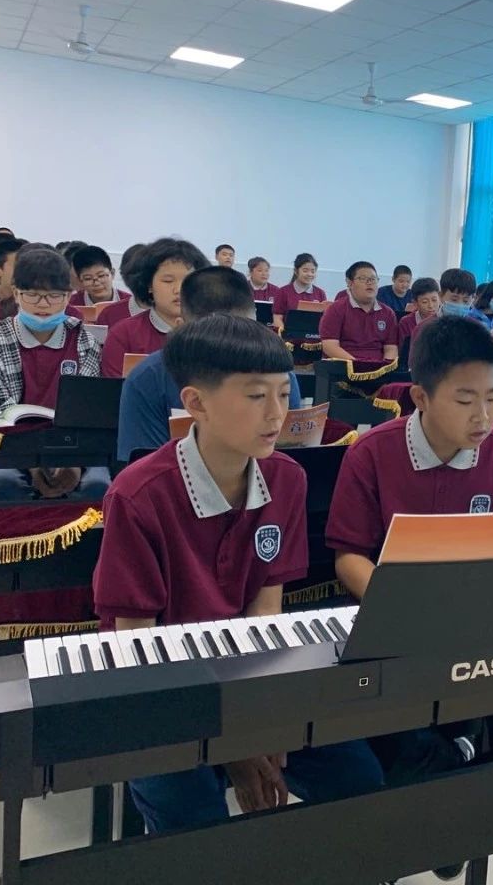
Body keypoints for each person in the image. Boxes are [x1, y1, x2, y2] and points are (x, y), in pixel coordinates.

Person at [93, 315, 383, 834]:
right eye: (255, 397)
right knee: (197, 825)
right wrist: (234, 748)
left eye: (283, 393)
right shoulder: (138, 496)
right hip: (159, 693)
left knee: (358, 781)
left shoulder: (286, 478)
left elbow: (264, 613)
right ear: (197, 403)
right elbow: (138, 649)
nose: (276, 414)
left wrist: (259, 721)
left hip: (247, 677)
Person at [326, 316, 493, 785]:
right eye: (465, 400)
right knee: (415, 752)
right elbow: (349, 557)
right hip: (395, 632)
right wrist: (404, 609)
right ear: (420, 397)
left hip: (479, 631)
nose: (483, 416)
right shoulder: (372, 453)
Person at [116, 267, 302, 461]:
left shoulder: (277, 372)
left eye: (245, 335)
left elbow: (286, 455)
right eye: (256, 395)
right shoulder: (147, 378)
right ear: (181, 329)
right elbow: (144, 465)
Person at [0, 246, 106, 501]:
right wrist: (32, 464)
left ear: (68, 296)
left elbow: (90, 415)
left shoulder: (84, 340)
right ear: (16, 294)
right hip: (8, 450)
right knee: (0, 488)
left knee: (98, 489)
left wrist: (74, 464)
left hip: (74, 450)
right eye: (32, 295)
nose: (43, 304)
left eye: (54, 295)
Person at [101, 238, 208, 378]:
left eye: (188, 280)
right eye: (168, 281)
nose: (179, 289)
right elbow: (113, 388)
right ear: (149, 285)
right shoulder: (123, 334)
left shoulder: (214, 332)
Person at [318, 261, 399, 362]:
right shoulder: (335, 309)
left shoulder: (388, 313)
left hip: (379, 367)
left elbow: (391, 348)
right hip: (344, 365)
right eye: (363, 278)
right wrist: (358, 365)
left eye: (373, 279)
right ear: (350, 283)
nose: (369, 282)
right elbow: (329, 346)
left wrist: (386, 366)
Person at [96, 243, 151, 328]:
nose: (140, 281)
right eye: (133, 275)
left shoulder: (170, 313)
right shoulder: (109, 314)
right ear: (123, 276)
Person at [272, 252, 327, 327]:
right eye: (305, 271)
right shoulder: (283, 292)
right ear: (296, 271)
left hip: (314, 334)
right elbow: (277, 318)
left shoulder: (320, 293)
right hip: (288, 334)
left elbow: (324, 320)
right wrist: (284, 333)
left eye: (313, 271)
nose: (309, 274)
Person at [398, 277, 440, 358]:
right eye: (425, 302)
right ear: (415, 303)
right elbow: (403, 352)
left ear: (440, 298)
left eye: (434, 300)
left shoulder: (445, 319)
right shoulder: (406, 322)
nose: (431, 306)